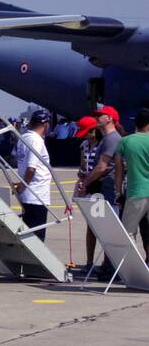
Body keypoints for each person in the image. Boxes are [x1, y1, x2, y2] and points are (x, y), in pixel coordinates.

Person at [13, 109, 53, 241]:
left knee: (29, 233)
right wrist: (23, 186)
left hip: (28, 194)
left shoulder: (23, 138)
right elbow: (31, 168)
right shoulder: (36, 140)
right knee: (37, 237)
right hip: (37, 194)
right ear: (46, 124)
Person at [115, 107, 149, 260]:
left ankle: (134, 267)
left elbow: (119, 171)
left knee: (128, 233)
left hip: (136, 192)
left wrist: (119, 193)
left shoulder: (125, 142)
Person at [73, 115, 102, 271]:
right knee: (90, 225)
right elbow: (83, 165)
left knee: (100, 226)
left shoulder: (103, 145)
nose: (84, 135)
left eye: (86, 132)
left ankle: (106, 263)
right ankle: (89, 261)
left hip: (98, 190)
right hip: (87, 188)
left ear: (94, 130)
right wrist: (81, 173)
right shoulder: (84, 145)